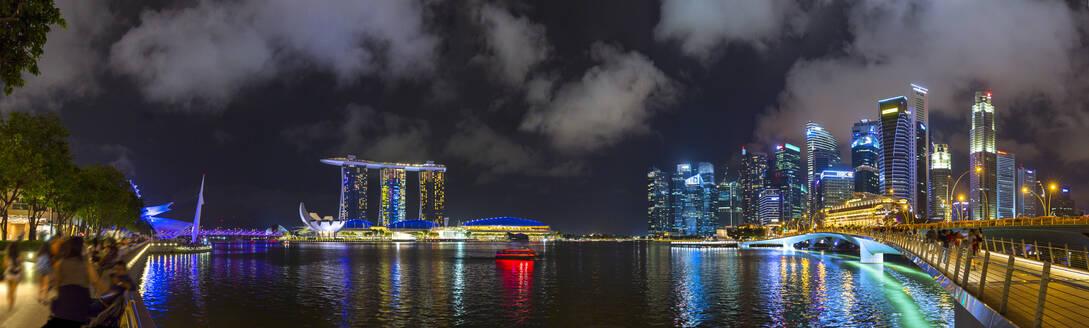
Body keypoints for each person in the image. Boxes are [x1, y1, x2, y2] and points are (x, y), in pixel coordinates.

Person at [44, 237, 99, 328]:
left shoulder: (60, 263)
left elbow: (56, 284)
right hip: (81, 302)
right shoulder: (86, 264)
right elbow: (95, 281)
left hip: (64, 301)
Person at [5, 242, 23, 310]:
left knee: (9, 290)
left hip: (9, 275)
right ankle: (11, 304)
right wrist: (21, 274)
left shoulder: (7, 257)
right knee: (13, 290)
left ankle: (9, 301)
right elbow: (21, 267)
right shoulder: (19, 257)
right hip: (16, 275)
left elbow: (5, 266)